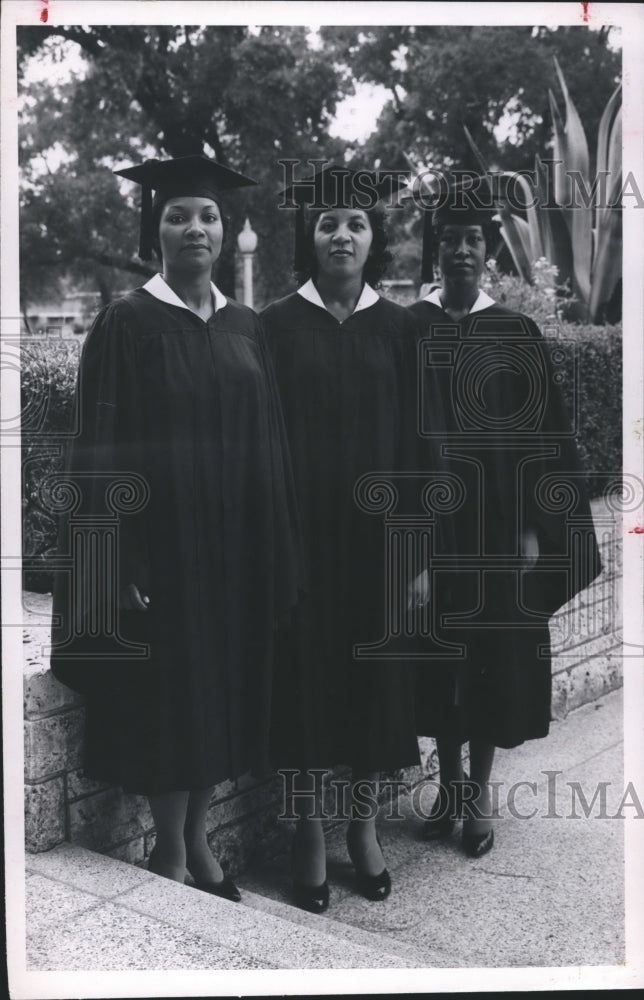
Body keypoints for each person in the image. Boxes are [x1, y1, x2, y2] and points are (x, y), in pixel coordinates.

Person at [51, 154, 302, 901]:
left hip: (234, 548)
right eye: (178, 215)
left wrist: (274, 546)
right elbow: (100, 449)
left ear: (226, 231)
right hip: (161, 553)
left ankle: (197, 840)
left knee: (220, 688)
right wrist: (117, 555)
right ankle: (170, 849)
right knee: (174, 695)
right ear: (154, 230)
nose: (196, 227)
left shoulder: (245, 325)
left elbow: (271, 444)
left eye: (208, 216)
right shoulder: (127, 322)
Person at [409, 177, 601, 857]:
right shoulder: (413, 329)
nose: (462, 250)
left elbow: (544, 440)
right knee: (438, 658)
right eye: (450, 240)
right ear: (436, 251)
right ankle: (449, 784)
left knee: (490, 656)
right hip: (436, 530)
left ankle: (480, 794)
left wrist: (531, 528)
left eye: (473, 240)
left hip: (496, 531)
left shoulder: (515, 332)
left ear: (487, 251)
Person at [262, 164, 434, 912]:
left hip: (380, 548)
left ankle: (362, 831)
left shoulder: (401, 329)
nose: (341, 235)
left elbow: (425, 448)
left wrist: (418, 554)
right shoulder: (272, 326)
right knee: (301, 688)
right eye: (328, 223)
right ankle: (308, 836)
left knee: (375, 688)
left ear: (374, 239)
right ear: (310, 236)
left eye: (356, 223)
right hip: (301, 543)